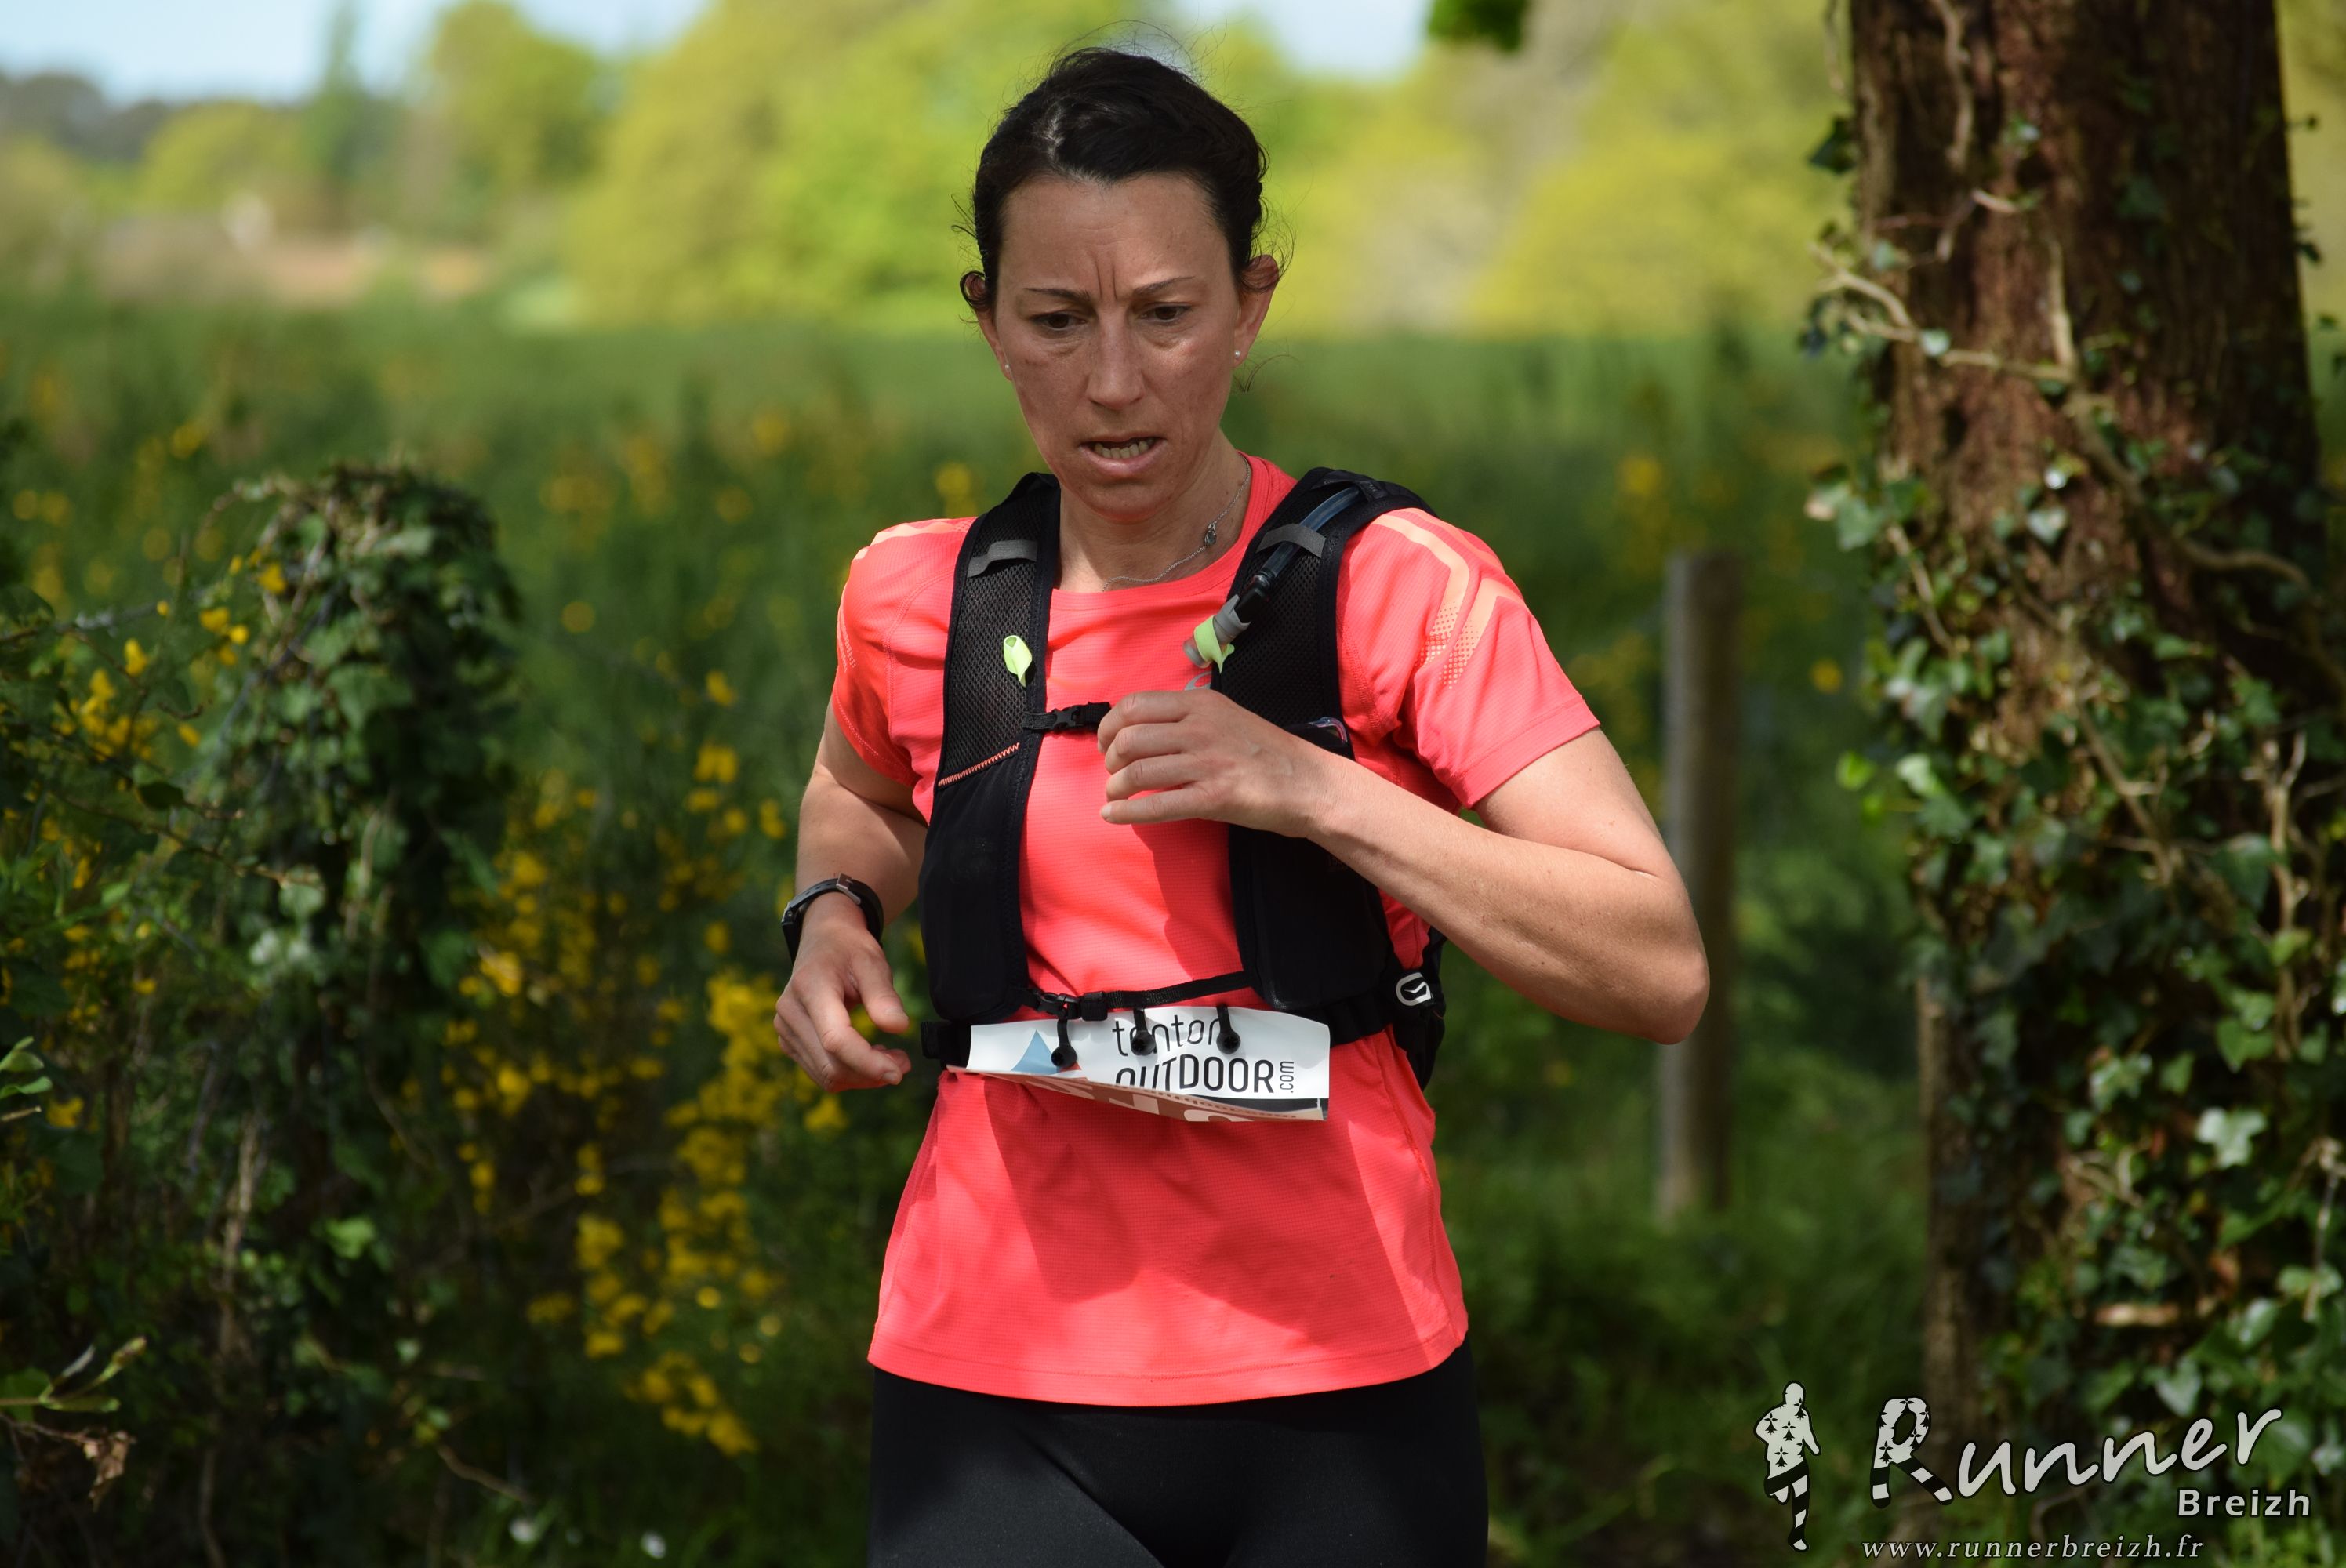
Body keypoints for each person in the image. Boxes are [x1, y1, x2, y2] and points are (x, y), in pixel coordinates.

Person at [773, 43, 1709, 1568]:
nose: (1113, 381)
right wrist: (831, 917)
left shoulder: (1399, 587)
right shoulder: (916, 594)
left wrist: (1313, 789)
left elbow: (1655, 968)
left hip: (1342, 1390)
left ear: (1250, 305)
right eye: (1056, 321)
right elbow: (856, 791)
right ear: (986, 320)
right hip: (989, 1386)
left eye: (1166, 313)